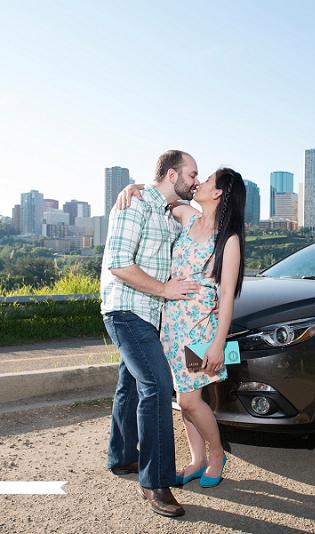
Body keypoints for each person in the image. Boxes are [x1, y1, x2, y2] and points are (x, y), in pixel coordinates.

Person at [118, 167, 246, 489]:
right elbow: (163, 195)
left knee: (189, 400)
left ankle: (216, 455)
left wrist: (218, 344)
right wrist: (135, 187)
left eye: (207, 180)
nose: (199, 182)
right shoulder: (188, 217)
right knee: (184, 396)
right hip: (172, 325)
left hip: (201, 328)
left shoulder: (228, 239)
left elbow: (227, 296)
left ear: (218, 193)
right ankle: (197, 460)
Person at [99, 150, 200, 518]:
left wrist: (139, 185)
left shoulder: (166, 214)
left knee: (130, 384)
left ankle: (122, 457)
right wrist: (164, 290)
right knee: (157, 385)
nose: (196, 181)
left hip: (149, 313)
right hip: (126, 310)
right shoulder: (134, 205)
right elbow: (118, 264)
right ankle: (155, 480)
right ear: (172, 174)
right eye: (192, 174)